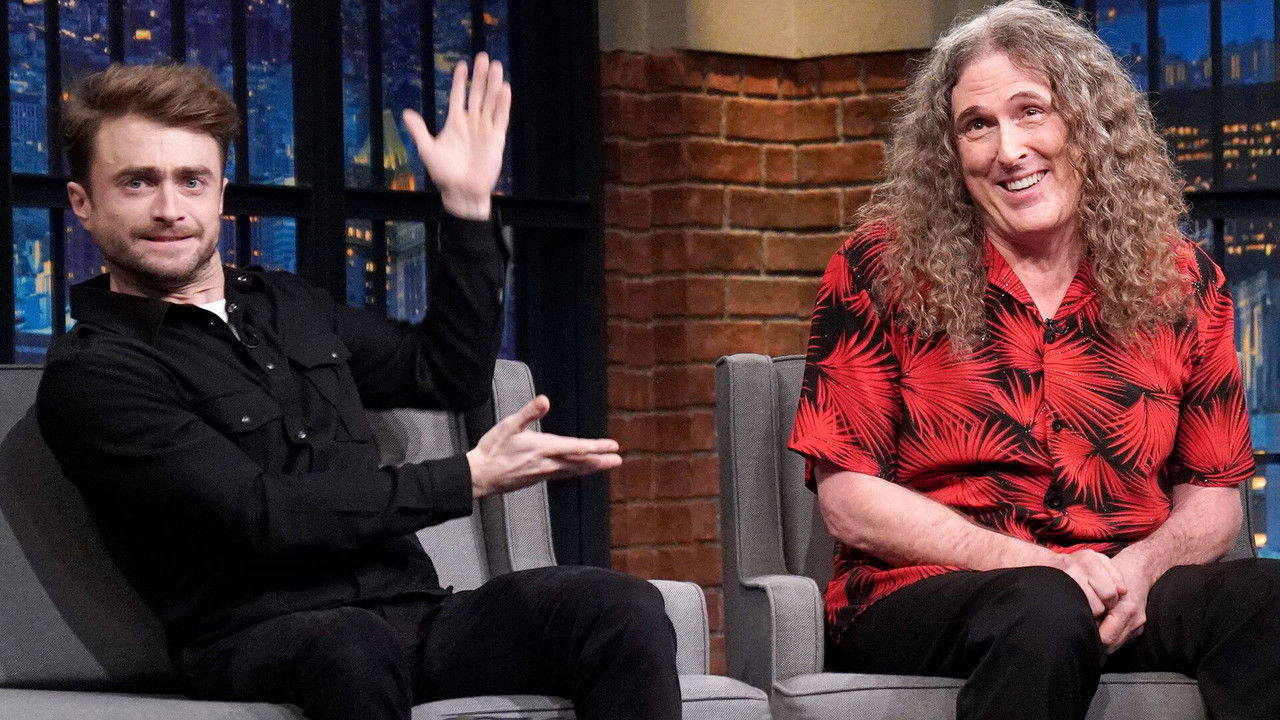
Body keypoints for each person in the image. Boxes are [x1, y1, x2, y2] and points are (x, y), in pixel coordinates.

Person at [36, 58, 679, 720]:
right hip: (255, 635)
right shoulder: (96, 372)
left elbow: (446, 372)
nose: (170, 209)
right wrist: (464, 477)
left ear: (220, 194)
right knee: (350, 644)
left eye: (190, 181)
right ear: (83, 202)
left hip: (414, 614)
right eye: (137, 182)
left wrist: (467, 209)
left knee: (616, 606)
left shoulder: (287, 304)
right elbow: (263, 514)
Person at [787, 2, 1279, 719]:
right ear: (949, 152)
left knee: (1265, 599)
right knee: (1045, 607)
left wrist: (1139, 571)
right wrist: (1046, 567)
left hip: (1120, 584)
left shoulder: (1181, 281)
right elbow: (850, 500)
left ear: (1087, 124)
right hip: (931, 590)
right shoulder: (882, 270)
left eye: (1030, 111)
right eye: (976, 125)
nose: (1008, 149)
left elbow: (1213, 497)